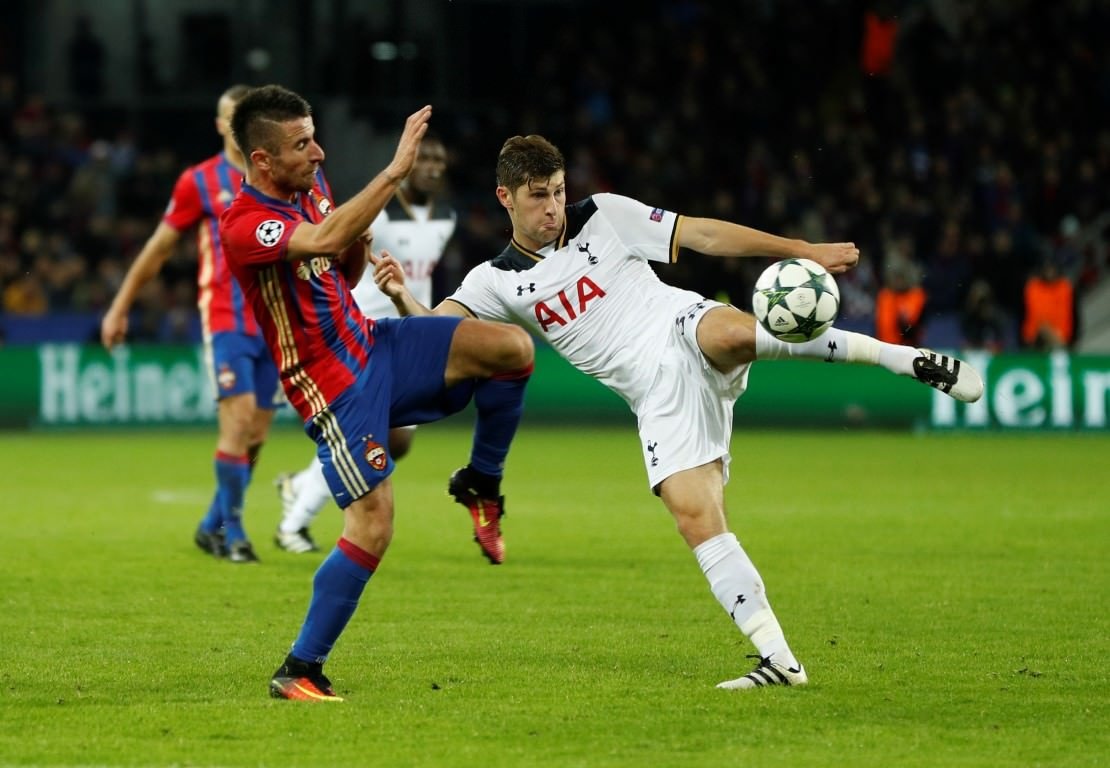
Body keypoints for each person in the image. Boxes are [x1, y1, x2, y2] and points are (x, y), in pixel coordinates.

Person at [373, 134, 985, 691]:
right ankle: (781, 662)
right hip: (654, 395)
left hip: (679, 324)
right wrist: (401, 294)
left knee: (730, 333)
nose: (554, 207)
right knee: (697, 518)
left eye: (560, 192)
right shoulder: (494, 281)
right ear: (505, 197)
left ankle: (899, 359)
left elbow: (703, 235)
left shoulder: (605, 215)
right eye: (539, 197)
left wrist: (801, 249)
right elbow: (438, 337)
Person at [218, 85, 533, 701]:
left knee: (510, 350)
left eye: (313, 135)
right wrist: (393, 173)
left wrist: (359, 257)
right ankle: (300, 669)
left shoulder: (312, 186)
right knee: (373, 525)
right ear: (261, 160)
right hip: (328, 381)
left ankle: (481, 481)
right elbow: (317, 242)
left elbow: (336, 264)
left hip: (371, 342)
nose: (318, 150)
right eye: (301, 143)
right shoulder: (243, 223)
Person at [101, 84, 274, 564]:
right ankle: (233, 533)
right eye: (230, 116)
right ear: (221, 125)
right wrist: (120, 307)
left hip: (277, 321)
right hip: (226, 318)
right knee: (237, 423)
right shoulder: (199, 181)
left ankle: (210, 524)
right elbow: (158, 249)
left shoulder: (282, 174)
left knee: (256, 436)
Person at [272, 133, 457, 554]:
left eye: (438, 157)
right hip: (361, 329)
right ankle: (292, 525)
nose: (430, 164)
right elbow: (335, 241)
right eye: (423, 156)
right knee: (363, 435)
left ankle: (298, 485)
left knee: (398, 441)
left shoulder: (447, 216)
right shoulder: (378, 212)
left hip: (405, 332)